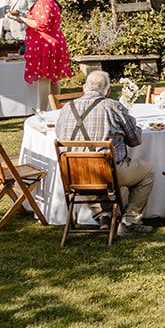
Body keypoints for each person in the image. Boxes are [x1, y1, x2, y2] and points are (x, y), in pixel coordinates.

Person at [56, 70, 156, 235]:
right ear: (107, 91)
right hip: (107, 173)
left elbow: (60, 136)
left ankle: (104, 215)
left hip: (74, 173)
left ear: (84, 88)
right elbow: (135, 140)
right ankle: (130, 222)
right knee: (147, 173)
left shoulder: (67, 108)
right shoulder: (113, 107)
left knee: (84, 168)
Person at [21, 0, 72, 111]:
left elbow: (41, 24)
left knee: (45, 78)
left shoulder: (44, 2)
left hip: (46, 44)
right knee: (54, 78)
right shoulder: (49, 0)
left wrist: (22, 19)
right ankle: (57, 110)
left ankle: (43, 111)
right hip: (53, 42)